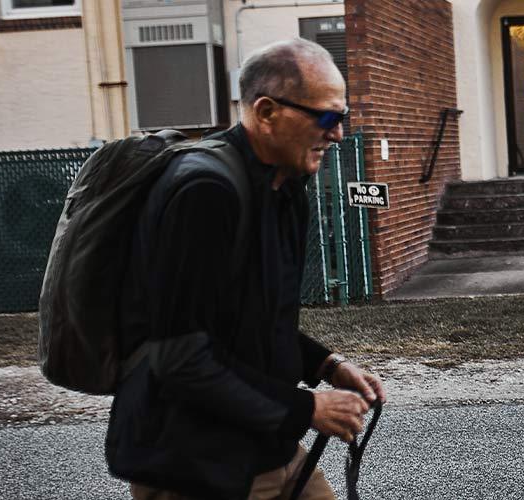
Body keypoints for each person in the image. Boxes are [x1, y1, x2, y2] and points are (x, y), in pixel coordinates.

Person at [105, 38, 385, 500]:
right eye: (327, 117)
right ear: (267, 111)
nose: (337, 134)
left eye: (343, 118)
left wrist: (326, 364)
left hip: (265, 444)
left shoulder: (285, 188)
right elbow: (180, 357)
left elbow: (253, 316)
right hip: (194, 464)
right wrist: (305, 407)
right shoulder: (203, 193)